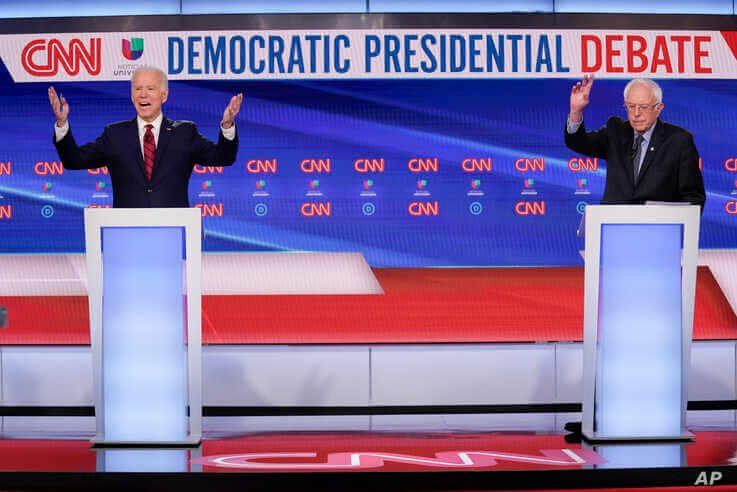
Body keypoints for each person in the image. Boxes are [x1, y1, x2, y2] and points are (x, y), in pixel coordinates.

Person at [48, 66, 243, 208]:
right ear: (132, 96)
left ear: (164, 95)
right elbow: (74, 160)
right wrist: (62, 124)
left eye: (150, 89)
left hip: (172, 231)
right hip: (126, 233)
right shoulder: (115, 134)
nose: (143, 95)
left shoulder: (184, 132)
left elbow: (223, 157)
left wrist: (227, 125)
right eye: (138, 89)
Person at [565, 75, 705, 208]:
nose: (636, 113)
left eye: (643, 107)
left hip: (659, 229)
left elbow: (693, 198)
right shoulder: (616, 131)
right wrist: (575, 111)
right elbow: (578, 142)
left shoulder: (678, 140)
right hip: (616, 226)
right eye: (631, 107)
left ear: (658, 108)